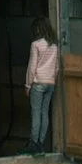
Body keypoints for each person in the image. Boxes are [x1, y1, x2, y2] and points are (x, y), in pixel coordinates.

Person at [25, 24, 61, 152]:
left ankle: (33, 143)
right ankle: (41, 142)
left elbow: (32, 66)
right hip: (50, 83)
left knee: (36, 113)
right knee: (44, 112)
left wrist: (28, 85)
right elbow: (57, 67)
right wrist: (52, 79)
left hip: (38, 82)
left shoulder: (36, 45)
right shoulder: (54, 46)